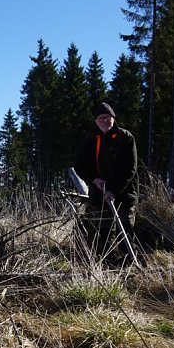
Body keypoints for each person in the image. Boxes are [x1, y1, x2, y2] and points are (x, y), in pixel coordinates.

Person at [72, 102, 139, 260]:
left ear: (114, 119)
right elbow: (79, 166)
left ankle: (130, 264)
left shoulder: (126, 137)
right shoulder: (91, 140)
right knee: (101, 233)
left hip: (123, 194)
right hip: (99, 195)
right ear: (96, 121)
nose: (105, 121)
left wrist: (113, 190)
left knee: (125, 231)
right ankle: (104, 265)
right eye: (101, 118)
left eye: (108, 118)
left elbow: (130, 169)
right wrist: (94, 180)